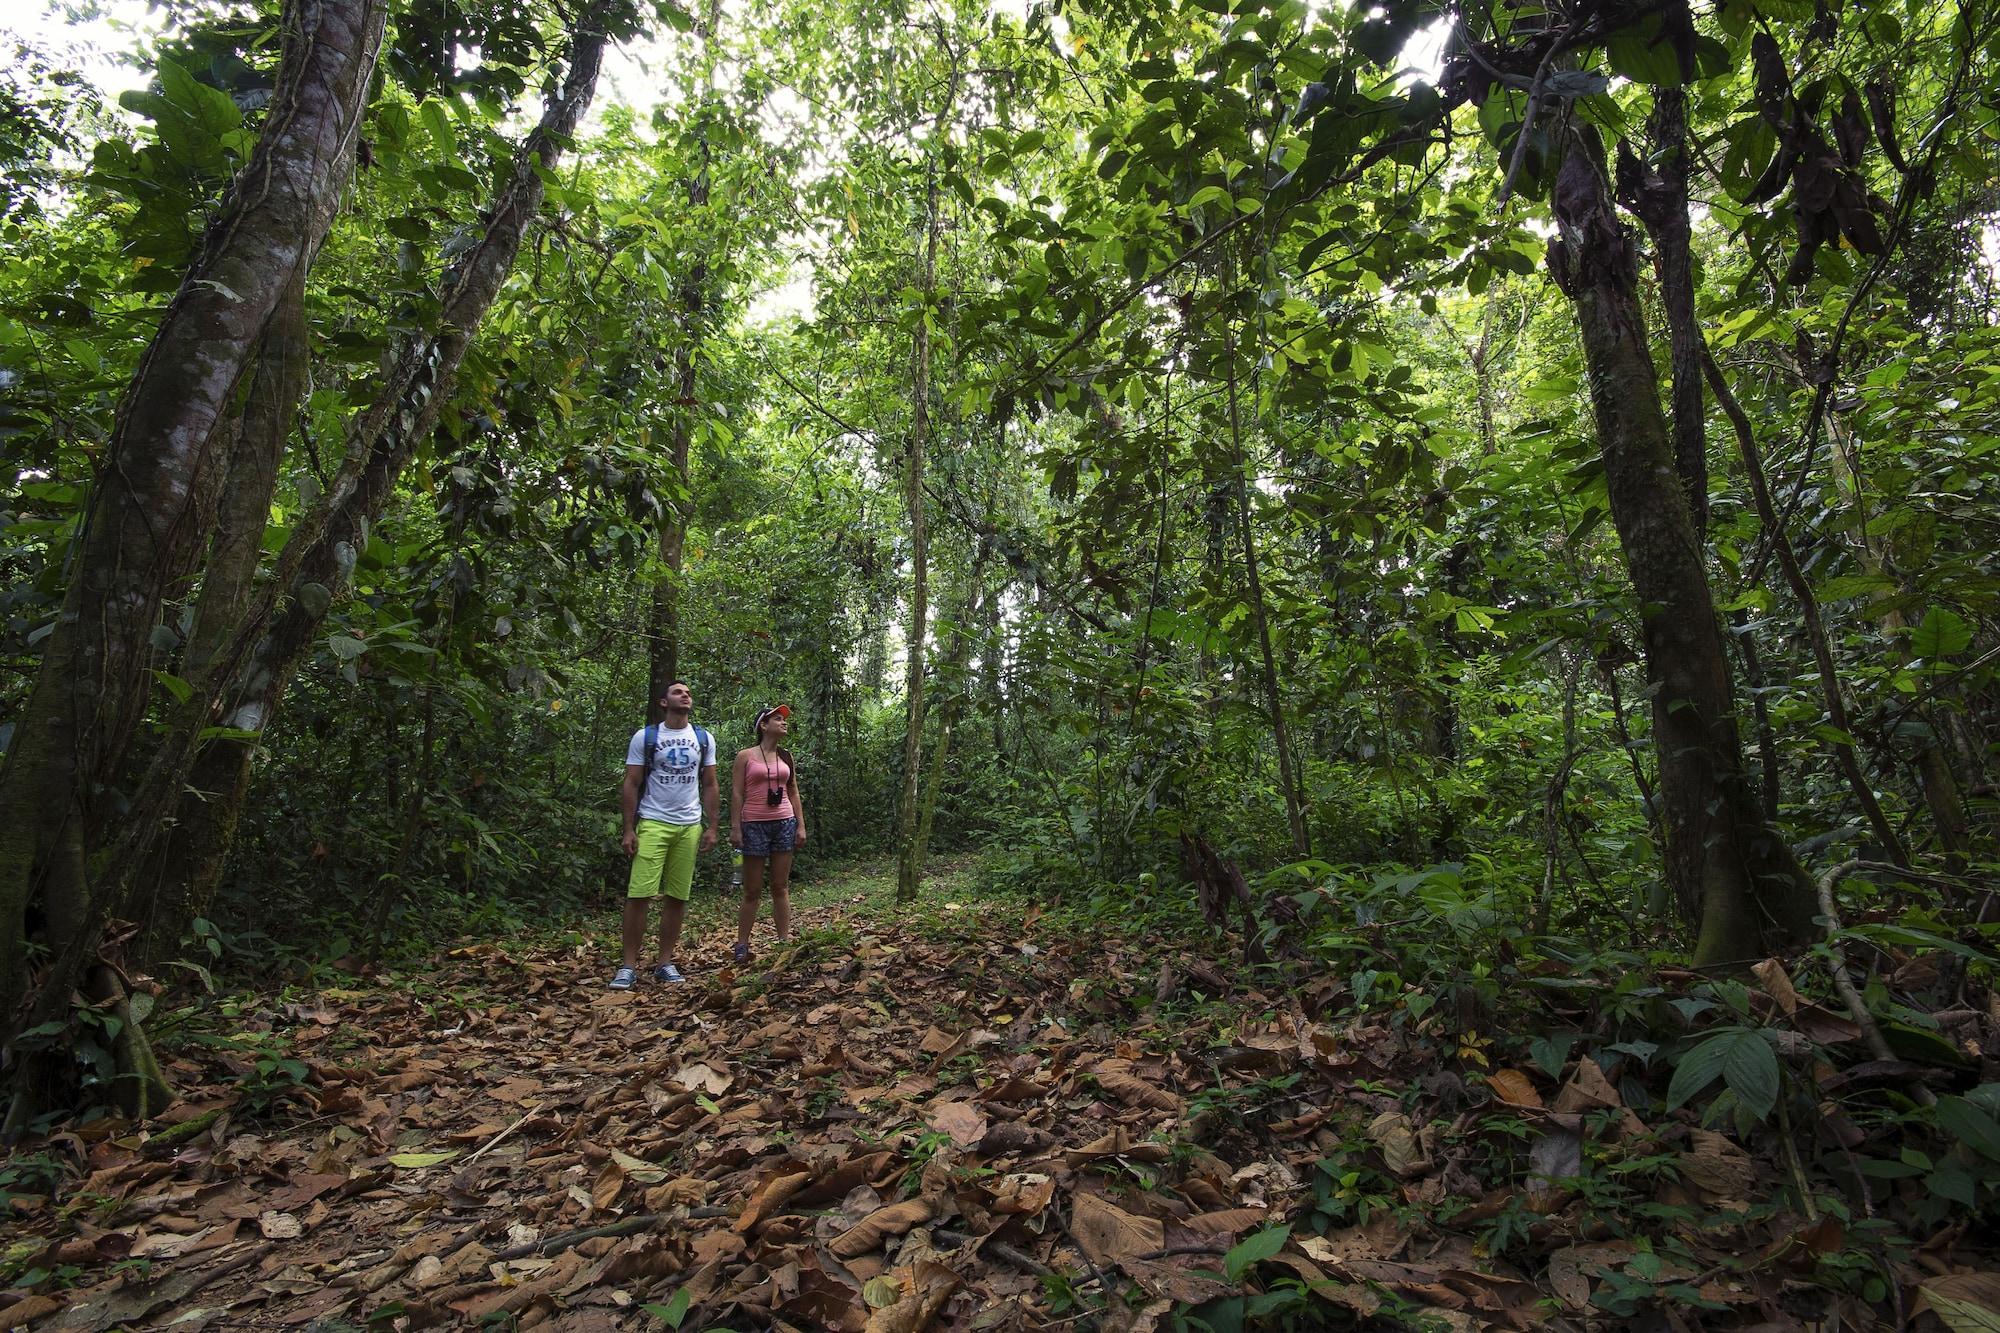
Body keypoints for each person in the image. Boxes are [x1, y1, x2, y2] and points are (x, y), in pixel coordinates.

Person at [611, 680, 717, 989]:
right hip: (654, 822)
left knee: (677, 896)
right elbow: (631, 782)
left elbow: (710, 784)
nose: (685, 695)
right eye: (677, 692)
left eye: (687, 692)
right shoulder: (646, 737)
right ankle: (628, 966)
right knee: (639, 894)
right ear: (663, 702)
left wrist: (712, 826)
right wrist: (629, 828)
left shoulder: (703, 738)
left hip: (689, 825)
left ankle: (664, 962)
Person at [729, 704, 808, 963]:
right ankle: (742, 943)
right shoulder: (745, 756)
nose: (783, 722)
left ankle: (783, 941)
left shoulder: (786, 757)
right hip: (754, 824)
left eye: (783, 719)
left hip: (784, 822)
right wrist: (735, 827)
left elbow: (793, 791)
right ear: (763, 725)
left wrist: (800, 825)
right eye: (777, 719)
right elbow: (738, 793)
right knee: (752, 889)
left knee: (780, 886)